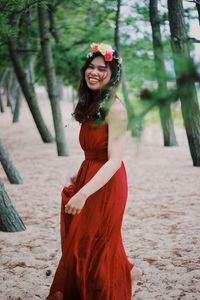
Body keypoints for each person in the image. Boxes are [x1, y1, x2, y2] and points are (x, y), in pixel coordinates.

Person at [46, 43, 142, 300]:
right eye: (91, 66)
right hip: (90, 175)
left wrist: (83, 193)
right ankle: (128, 272)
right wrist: (82, 175)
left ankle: (118, 280)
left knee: (95, 244)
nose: (95, 72)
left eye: (103, 69)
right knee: (87, 243)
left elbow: (113, 161)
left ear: (113, 75)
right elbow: (94, 151)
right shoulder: (93, 103)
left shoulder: (116, 109)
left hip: (108, 183)